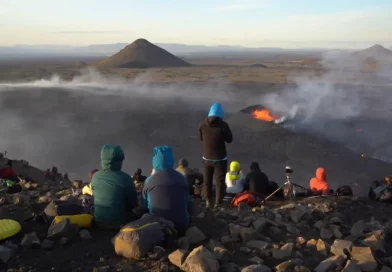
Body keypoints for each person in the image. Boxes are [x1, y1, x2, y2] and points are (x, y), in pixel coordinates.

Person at [143, 145, 189, 234]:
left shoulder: (149, 180)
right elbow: (185, 201)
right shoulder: (181, 177)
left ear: (155, 161)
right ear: (171, 160)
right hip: (181, 225)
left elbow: (145, 204)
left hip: (157, 226)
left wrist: (153, 176)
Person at [91, 145, 138, 229]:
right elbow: (133, 204)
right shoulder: (126, 178)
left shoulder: (95, 177)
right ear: (119, 161)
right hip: (120, 223)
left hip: (99, 222)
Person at [199, 103, 233, 209]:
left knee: (207, 180)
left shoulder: (202, 124)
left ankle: (208, 201)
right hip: (220, 158)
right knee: (219, 181)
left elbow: (201, 139)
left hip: (206, 158)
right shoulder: (223, 125)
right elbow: (229, 139)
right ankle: (218, 203)